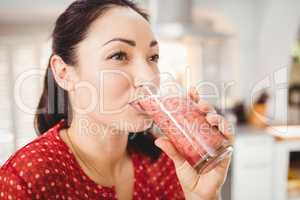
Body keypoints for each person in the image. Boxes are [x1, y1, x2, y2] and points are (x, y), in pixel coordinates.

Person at [0, 0, 233, 199]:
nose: (148, 77)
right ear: (64, 73)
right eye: (119, 55)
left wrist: (204, 196)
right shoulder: (27, 179)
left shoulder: (167, 164)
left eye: (153, 57)